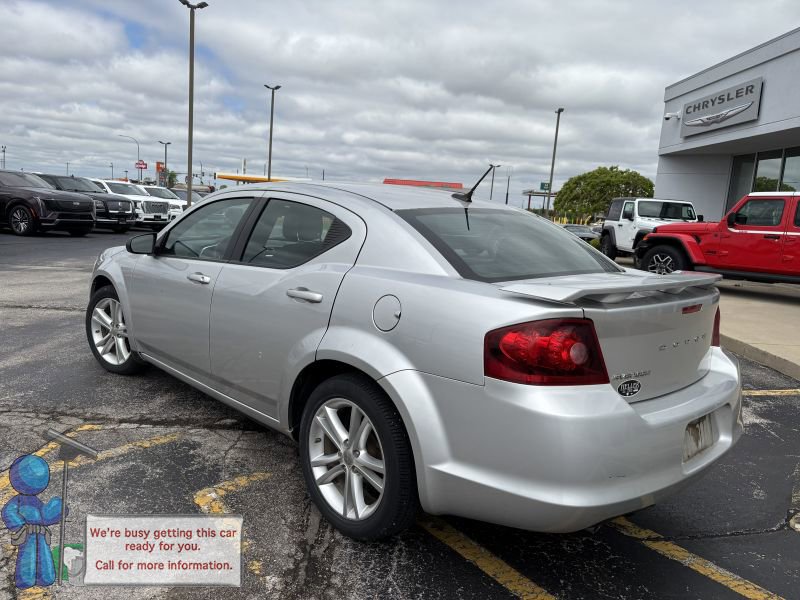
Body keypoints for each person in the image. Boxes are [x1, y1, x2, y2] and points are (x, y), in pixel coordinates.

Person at [2, 455, 65, 589]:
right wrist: (20, 524)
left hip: (40, 533)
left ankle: (46, 577)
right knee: (28, 555)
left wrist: (57, 509)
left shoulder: (36, 502)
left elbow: (44, 516)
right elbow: (9, 512)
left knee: (44, 554)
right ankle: (26, 579)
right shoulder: (18, 501)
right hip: (28, 533)